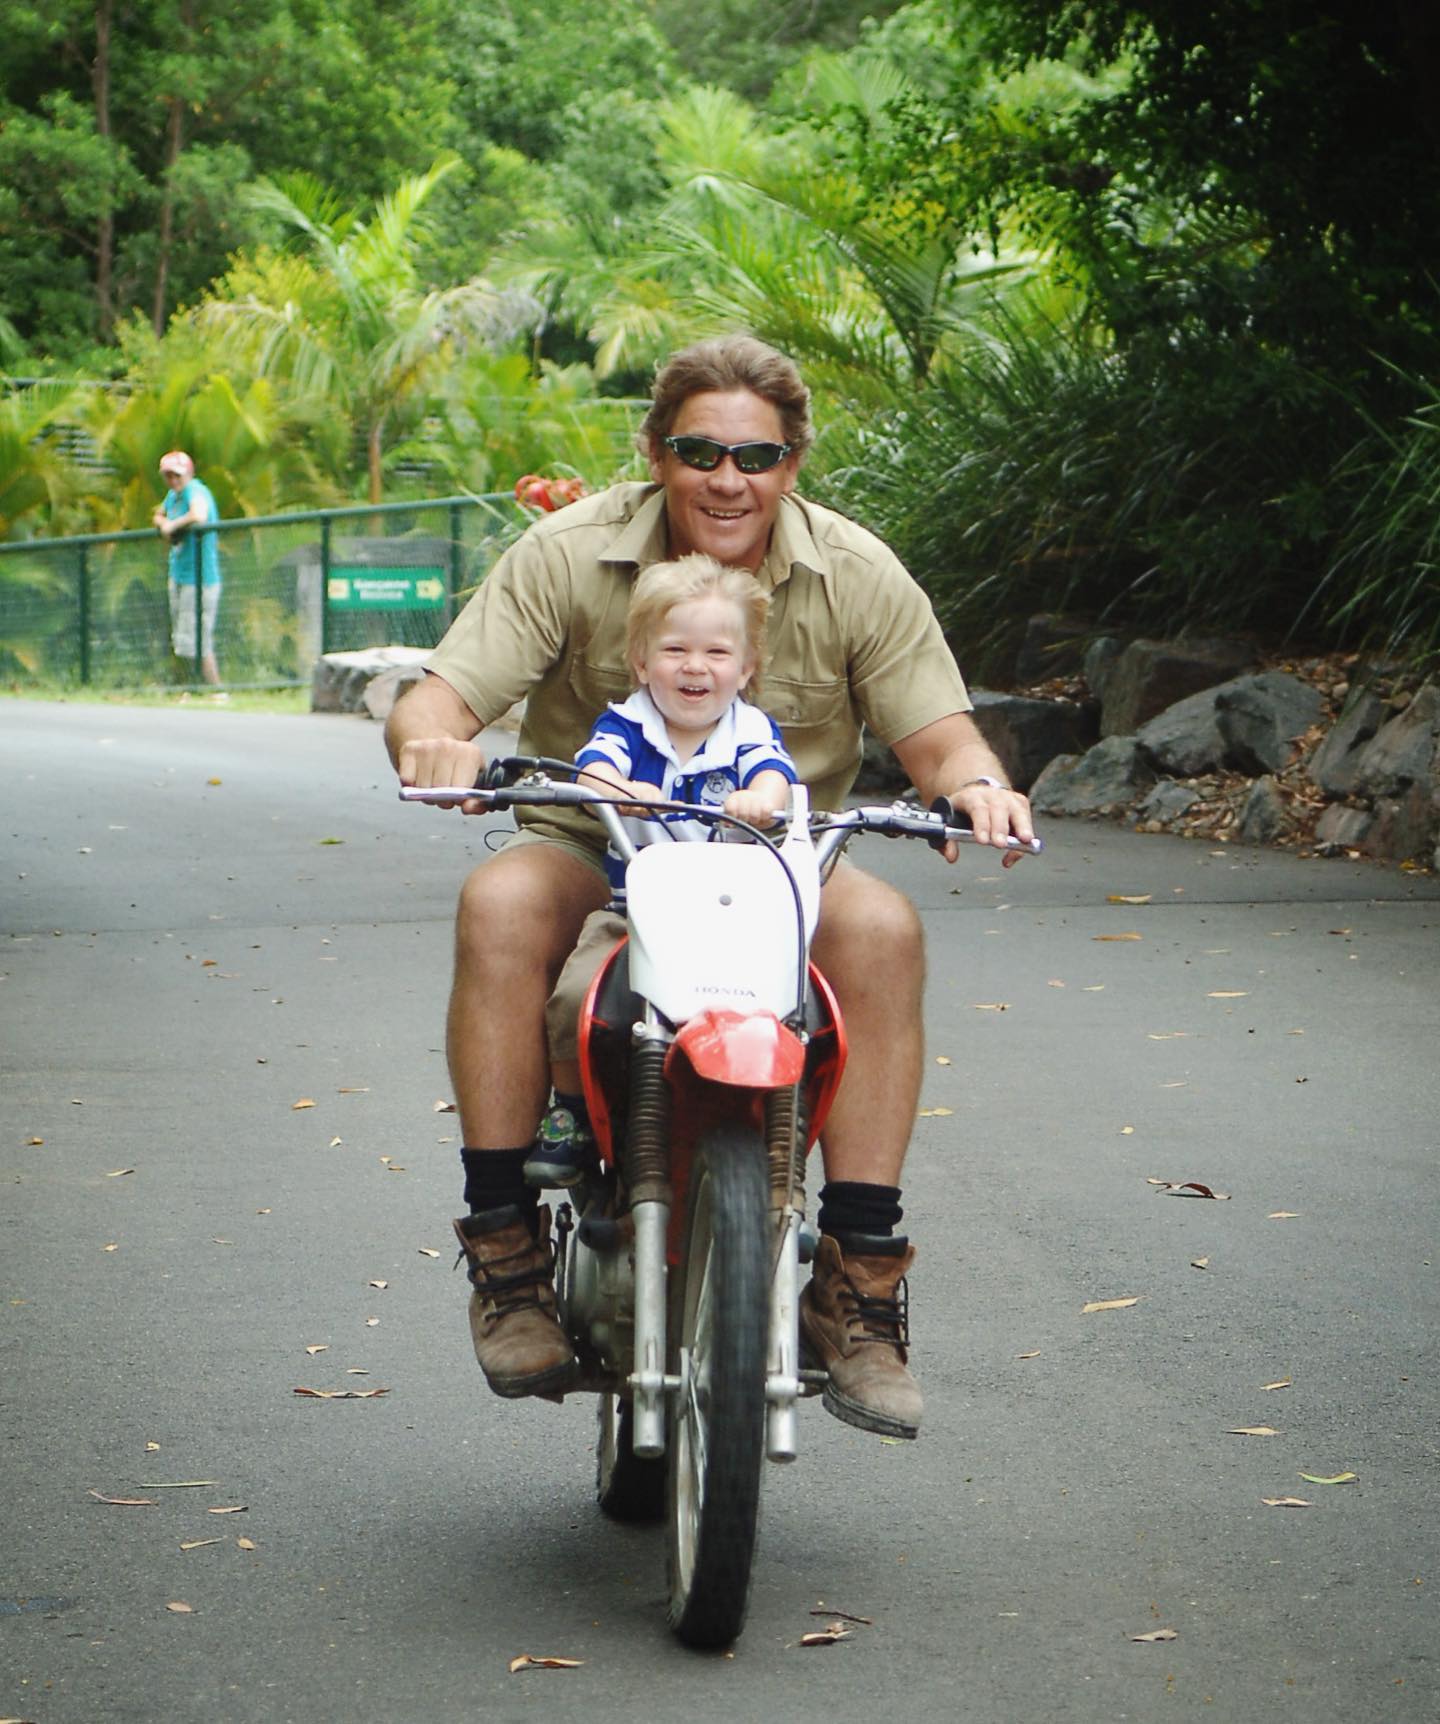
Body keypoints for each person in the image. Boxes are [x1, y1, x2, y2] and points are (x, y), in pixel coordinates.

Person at [386, 333, 1035, 1438]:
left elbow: (940, 736)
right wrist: (433, 743)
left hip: (778, 860)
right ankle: (507, 1253)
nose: (728, 479)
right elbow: (438, 697)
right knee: (497, 902)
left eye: (757, 456)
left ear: (793, 464)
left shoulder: (855, 572)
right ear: (656, 453)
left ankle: (859, 1280)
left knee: (885, 930)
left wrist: (978, 787)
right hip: (598, 843)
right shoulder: (568, 552)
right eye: (700, 452)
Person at [527, 551, 796, 1189]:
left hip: (734, 920)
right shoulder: (628, 723)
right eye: (674, 649)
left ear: (746, 667)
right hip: (637, 914)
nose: (695, 666)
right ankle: (570, 1113)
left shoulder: (749, 729)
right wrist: (618, 790)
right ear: (642, 662)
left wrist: (761, 799)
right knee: (577, 996)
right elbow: (594, 768)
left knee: (795, 1002)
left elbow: (773, 775)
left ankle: (781, 1140)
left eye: (717, 652)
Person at [153, 450, 222, 686]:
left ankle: (216, 691)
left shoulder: (195, 490)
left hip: (200, 578)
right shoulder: (173, 496)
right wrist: (164, 523)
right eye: (168, 476)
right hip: (178, 575)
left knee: (198, 639)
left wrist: (173, 526)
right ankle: (187, 688)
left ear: (188, 474)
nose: (173, 480)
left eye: (177, 475)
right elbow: (158, 515)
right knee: (181, 638)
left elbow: (198, 515)